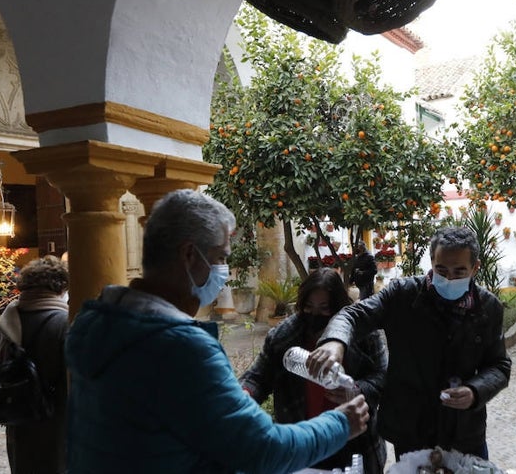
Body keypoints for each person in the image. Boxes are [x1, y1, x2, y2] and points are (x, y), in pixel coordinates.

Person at [65, 189, 368, 473]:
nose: (223, 271)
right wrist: (340, 424)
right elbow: (262, 449)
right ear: (189, 255)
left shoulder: (98, 323)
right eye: (220, 258)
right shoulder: (180, 347)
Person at [308, 225, 512, 460]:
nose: (448, 278)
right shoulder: (402, 295)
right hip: (411, 429)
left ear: (475, 268)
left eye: (459, 272)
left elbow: (499, 366)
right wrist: (335, 341)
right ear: (431, 262)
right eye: (441, 269)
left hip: (464, 430)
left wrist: (475, 391)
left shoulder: (488, 308)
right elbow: (353, 315)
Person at [241, 268, 388, 473]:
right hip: (305, 440)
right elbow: (257, 378)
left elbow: (383, 378)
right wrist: (242, 396)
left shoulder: (365, 336)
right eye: (309, 307)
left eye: (324, 308)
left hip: (355, 442)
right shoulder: (284, 337)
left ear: (339, 307)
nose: (315, 315)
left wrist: (356, 390)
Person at [0, 255, 70, 474]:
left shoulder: (7, 322)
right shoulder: (64, 323)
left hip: (18, 421)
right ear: (61, 286)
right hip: (55, 424)